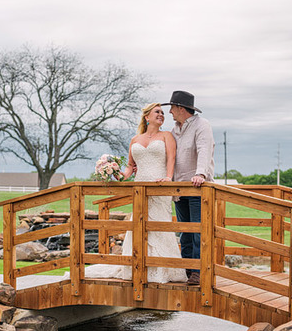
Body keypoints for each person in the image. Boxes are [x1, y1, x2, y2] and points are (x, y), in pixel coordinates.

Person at [85, 103, 188, 283]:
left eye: (163, 113)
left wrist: (169, 177)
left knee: (159, 225)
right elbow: (129, 169)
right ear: (147, 117)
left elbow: (172, 158)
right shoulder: (135, 140)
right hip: (139, 187)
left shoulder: (167, 136)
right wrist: (113, 171)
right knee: (139, 224)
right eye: (157, 112)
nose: (161, 115)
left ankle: (162, 269)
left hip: (159, 186)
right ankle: (138, 266)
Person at [160, 91, 215, 285]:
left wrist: (201, 174)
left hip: (197, 187)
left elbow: (204, 150)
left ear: (181, 109)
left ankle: (199, 271)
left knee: (198, 231)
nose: (170, 112)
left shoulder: (202, 126)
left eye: (172, 108)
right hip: (179, 188)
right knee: (185, 231)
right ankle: (187, 269)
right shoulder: (175, 129)